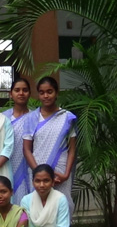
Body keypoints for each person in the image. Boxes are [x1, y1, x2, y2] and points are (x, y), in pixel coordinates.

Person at [23, 76, 77, 216]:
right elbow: (27, 149)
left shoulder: (67, 117)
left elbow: (72, 149)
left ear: (56, 93)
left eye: (49, 91)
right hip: (37, 169)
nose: (46, 96)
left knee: (63, 206)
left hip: (61, 171)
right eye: (42, 92)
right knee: (38, 209)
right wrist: (38, 173)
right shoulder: (31, 118)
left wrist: (66, 174)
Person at [2, 78, 32, 204]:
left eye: (25, 90)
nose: (21, 93)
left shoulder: (35, 116)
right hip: (8, 165)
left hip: (30, 167)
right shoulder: (3, 118)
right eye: (17, 90)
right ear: (11, 94)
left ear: (29, 93)